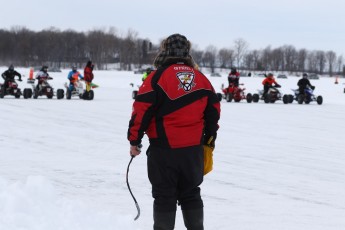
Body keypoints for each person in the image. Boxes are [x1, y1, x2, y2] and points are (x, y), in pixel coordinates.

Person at [127, 33, 220, 230]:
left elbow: (141, 111)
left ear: (165, 51)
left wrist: (134, 141)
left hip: (164, 151)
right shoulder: (202, 79)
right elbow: (214, 113)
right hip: (193, 151)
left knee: (164, 196)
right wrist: (208, 142)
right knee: (191, 193)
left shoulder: (156, 78)